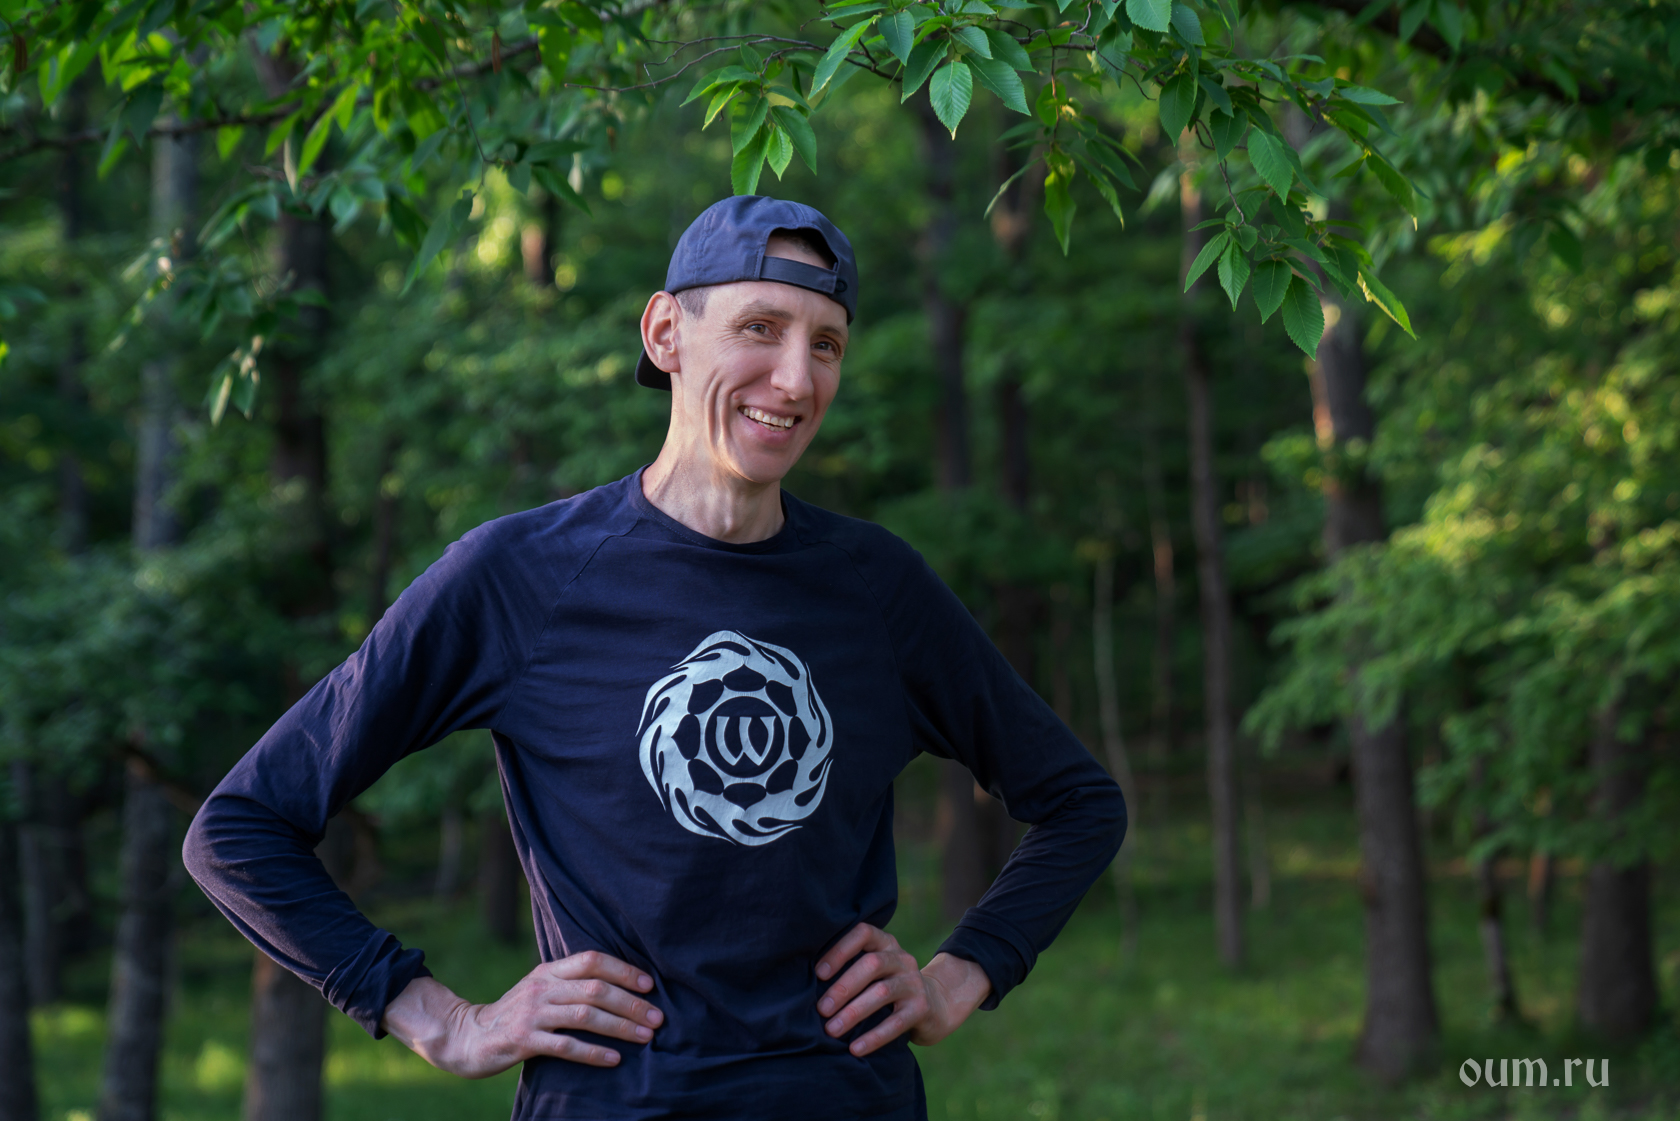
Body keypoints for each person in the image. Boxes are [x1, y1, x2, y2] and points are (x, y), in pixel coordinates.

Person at [184, 195, 1125, 1120]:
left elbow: (1079, 802)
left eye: (827, 344)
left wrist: (961, 974)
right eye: (761, 327)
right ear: (666, 332)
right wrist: (443, 1020)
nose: (795, 379)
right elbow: (240, 828)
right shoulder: (521, 577)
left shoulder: (878, 588)